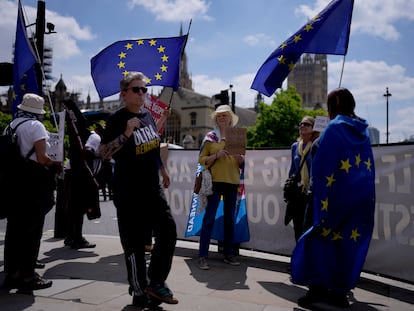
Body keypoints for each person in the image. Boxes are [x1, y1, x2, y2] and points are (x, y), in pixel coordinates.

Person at [291, 88, 376, 309]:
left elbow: (321, 166)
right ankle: (338, 293)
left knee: (318, 242)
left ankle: (316, 291)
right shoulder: (362, 131)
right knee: (344, 246)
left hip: (328, 200)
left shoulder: (334, 129)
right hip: (356, 201)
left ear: (333, 106)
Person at [99, 71, 178, 308]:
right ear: (124, 94)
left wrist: (162, 170)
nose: (142, 93)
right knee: (133, 243)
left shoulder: (148, 116)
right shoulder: (116, 119)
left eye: (144, 89)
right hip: (128, 189)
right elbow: (103, 152)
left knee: (168, 230)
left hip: (152, 187)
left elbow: (153, 146)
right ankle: (138, 289)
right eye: (136, 89)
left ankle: (156, 283)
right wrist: (125, 134)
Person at [2, 93, 61, 291]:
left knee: (14, 229)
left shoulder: (11, 125)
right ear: (37, 112)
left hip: (13, 183)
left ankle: (12, 272)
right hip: (32, 184)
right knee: (32, 230)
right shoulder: (35, 126)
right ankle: (28, 275)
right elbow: (42, 157)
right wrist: (55, 165)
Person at [197, 104, 245, 270]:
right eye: (219, 116)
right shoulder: (210, 136)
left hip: (232, 182)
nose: (222, 118)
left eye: (225, 115)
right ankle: (203, 255)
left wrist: (241, 159)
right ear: (216, 119)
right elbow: (201, 160)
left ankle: (229, 254)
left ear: (231, 118)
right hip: (215, 183)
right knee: (209, 219)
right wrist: (216, 155)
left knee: (230, 220)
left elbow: (242, 163)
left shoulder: (237, 135)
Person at [63, 100, 99, 250]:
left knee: (73, 205)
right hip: (84, 173)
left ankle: (71, 236)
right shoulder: (94, 137)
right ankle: (77, 238)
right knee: (80, 206)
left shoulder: (76, 133)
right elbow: (88, 152)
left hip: (72, 171)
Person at [286, 116, 319, 241]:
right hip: (298, 194)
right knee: (298, 227)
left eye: (307, 124)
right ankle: (300, 257)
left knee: (310, 227)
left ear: (313, 128)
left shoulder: (317, 145)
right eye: (301, 124)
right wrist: (290, 187)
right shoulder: (295, 146)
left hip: (312, 192)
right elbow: (292, 169)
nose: (302, 126)